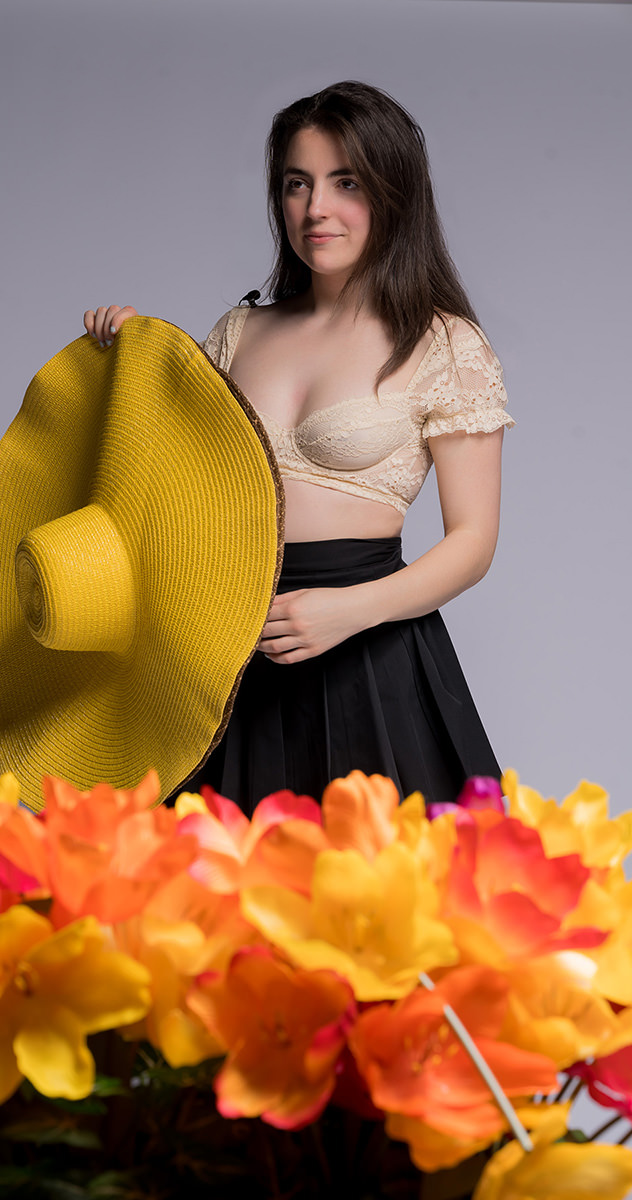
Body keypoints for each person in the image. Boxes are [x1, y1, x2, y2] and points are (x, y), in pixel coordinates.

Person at [83, 80, 513, 815]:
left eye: (345, 182)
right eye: (297, 184)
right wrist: (125, 362)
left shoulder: (444, 342)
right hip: (226, 655)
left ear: (393, 191)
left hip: (370, 657)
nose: (316, 209)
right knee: (206, 908)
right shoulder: (239, 333)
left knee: (384, 910)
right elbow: (167, 492)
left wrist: (349, 612)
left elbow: (472, 542)